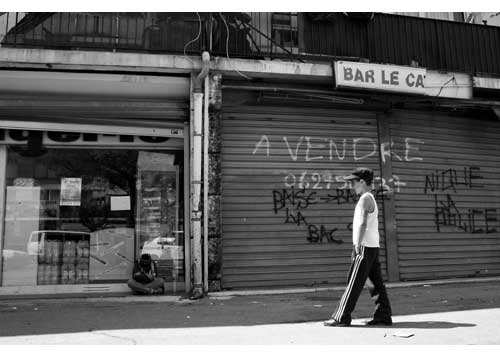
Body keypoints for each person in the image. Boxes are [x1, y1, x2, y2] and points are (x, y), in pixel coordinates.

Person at [324, 167, 392, 327]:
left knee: (353, 282)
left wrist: (357, 245)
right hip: (373, 247)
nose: (352, 186)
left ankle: (341, 317)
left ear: (362, 182)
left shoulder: (364, 199)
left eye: (354, 182)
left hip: (364, 247)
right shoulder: (371, 198)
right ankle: (383, 316)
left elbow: (362, 223)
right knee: (376, 284)